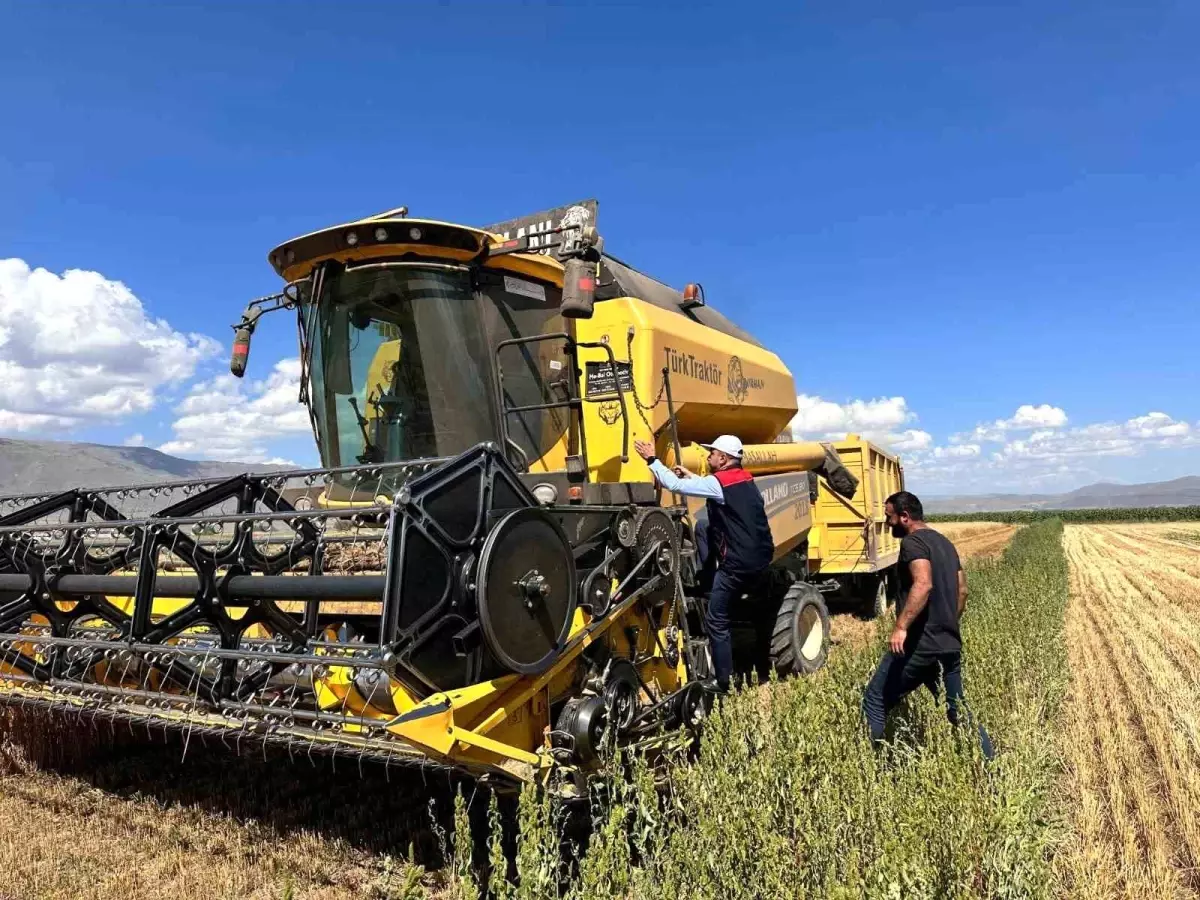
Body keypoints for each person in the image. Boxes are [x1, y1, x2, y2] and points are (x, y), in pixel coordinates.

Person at [633, 434, 774, 693]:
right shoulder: (744, 478)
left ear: (724, 459)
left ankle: (723, 681)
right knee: (704, 526)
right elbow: (711, 486)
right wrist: (691, 476)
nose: (708, 456)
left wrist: (652, 459)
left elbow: (673, 485)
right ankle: (707, 581)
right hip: (761, 555)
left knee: (716, 619)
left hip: (737, 564)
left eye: (712, 453)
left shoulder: (718, 483)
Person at [862, 490, 995, 760]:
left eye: (889, 517)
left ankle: (872, 767)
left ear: (905, 516)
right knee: (957, 710)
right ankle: (991, 764)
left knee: (875, 700)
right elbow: (962, 590)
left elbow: (923, 584)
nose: (887, 523)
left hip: (920, 645)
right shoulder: (945, 543)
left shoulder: (913, 542)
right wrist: (948, 623)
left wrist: (901, 627)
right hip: (948, 642)